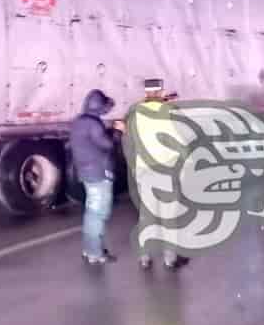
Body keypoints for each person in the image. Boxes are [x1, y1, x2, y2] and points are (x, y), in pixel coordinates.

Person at [128, 78, 186, 271]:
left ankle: (144, 258)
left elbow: (133, 141)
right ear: (161, 91)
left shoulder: (136, 113)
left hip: (145, 170)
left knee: (147, 216)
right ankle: (169, 259)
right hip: (165, 171)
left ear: (146, 93)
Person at [70, 88, 119, 265]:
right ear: (99, 107)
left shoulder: (78, 122)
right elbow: (106, 145)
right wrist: (115, 134)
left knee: (92, 211)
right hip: (99, 173)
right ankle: (95, 253)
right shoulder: (94, 124)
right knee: (98, 213)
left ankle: (89, 248)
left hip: (86, 172)